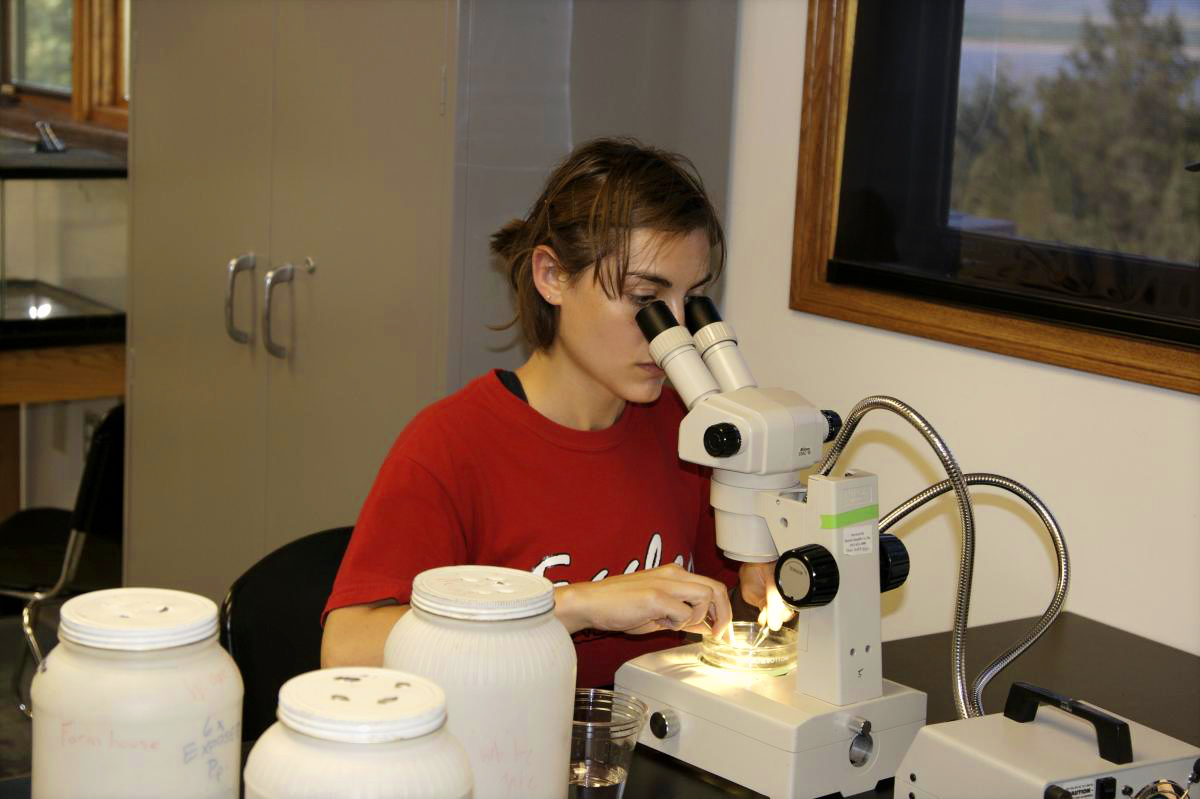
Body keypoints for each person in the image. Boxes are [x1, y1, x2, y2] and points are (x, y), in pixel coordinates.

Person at [321, 137, 772, 688]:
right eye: (644, 299)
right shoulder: (450, 445)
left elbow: (735, 603)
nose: (673, 332)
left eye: (692, 299)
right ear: (552, 277)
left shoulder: (689, 429)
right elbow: (346, 652)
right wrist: (574, 606)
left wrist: (765, 575)